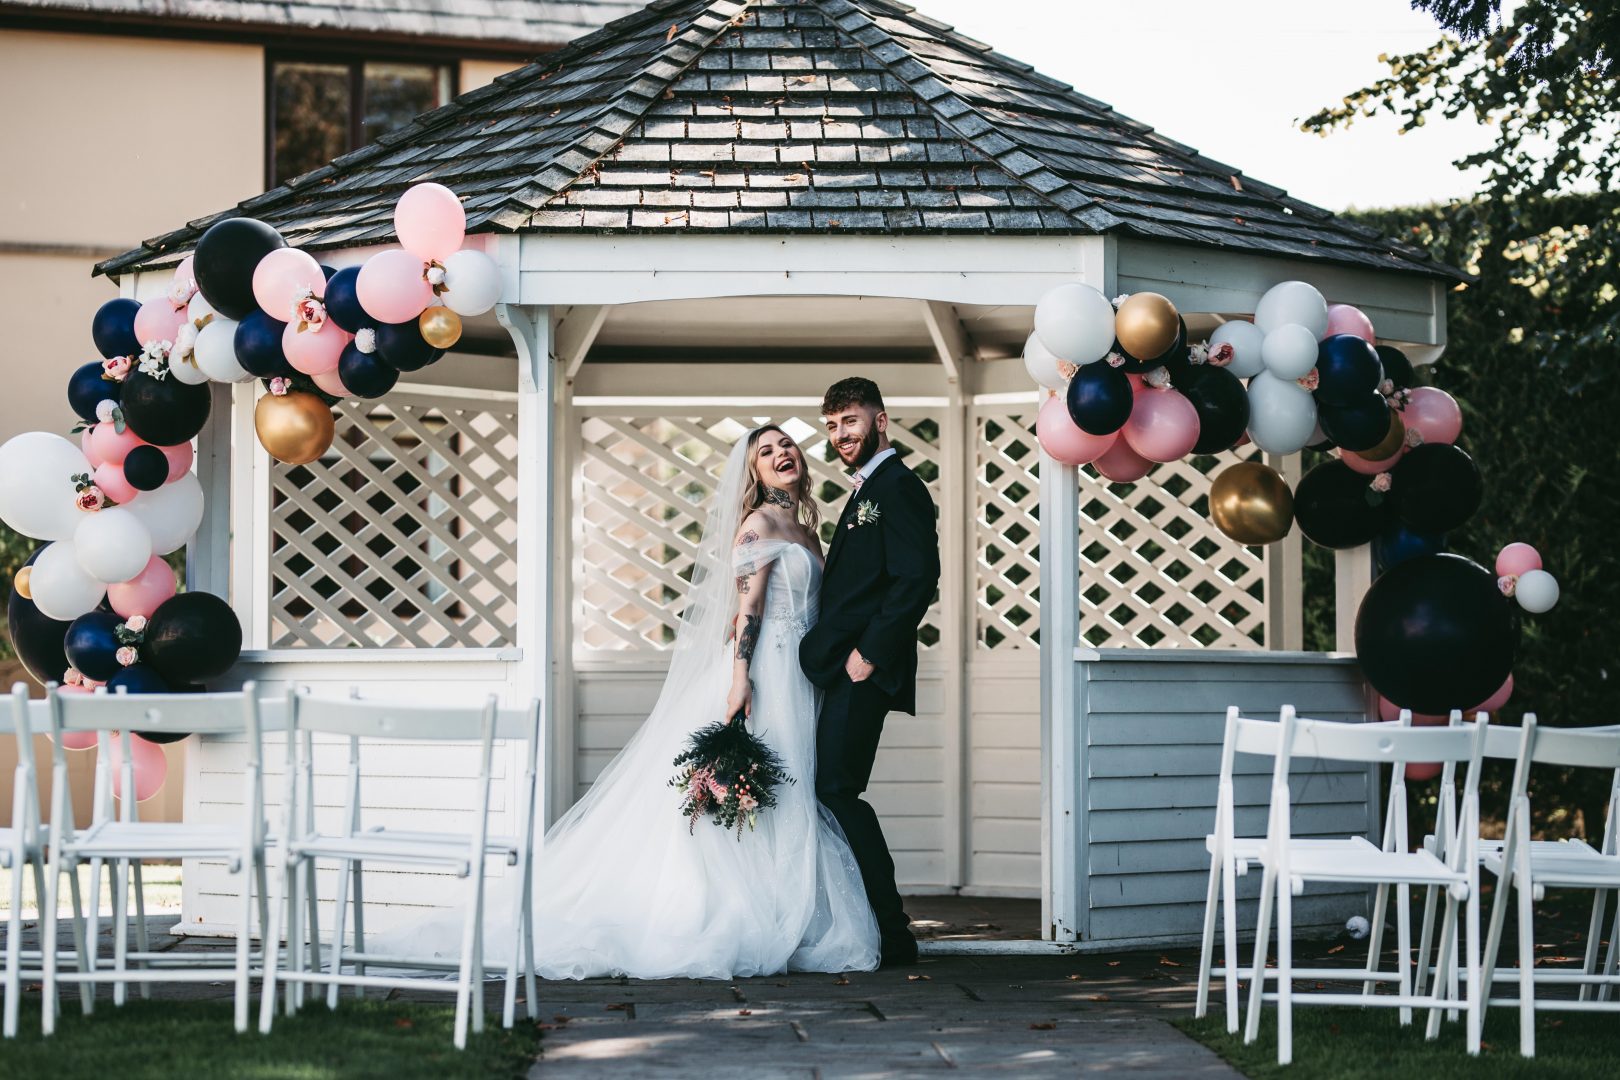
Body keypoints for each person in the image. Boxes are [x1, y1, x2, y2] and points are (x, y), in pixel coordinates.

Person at [457, 424, 881, 980]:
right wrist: (739, 678)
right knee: (767, 789)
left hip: (802, 678)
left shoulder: (805, 528)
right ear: (752, 473)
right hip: (763, 673)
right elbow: (747, 609)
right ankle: (736, 914)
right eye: (766, 452)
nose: (782, 454)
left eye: (786, 445)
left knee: (794, 786)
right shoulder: (758, 526)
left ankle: (789, 915)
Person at [799, 378, 941, 967]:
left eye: (850, 422)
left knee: (837, 789)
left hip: (864, 669)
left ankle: (892, 930)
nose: (841, 436)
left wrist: (870, 655)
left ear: (881, 421)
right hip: (842, 667)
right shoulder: (866, 490)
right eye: (832, 427)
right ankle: (870, 924)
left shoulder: (899, 486)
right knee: (834, 788)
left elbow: (916, 578)